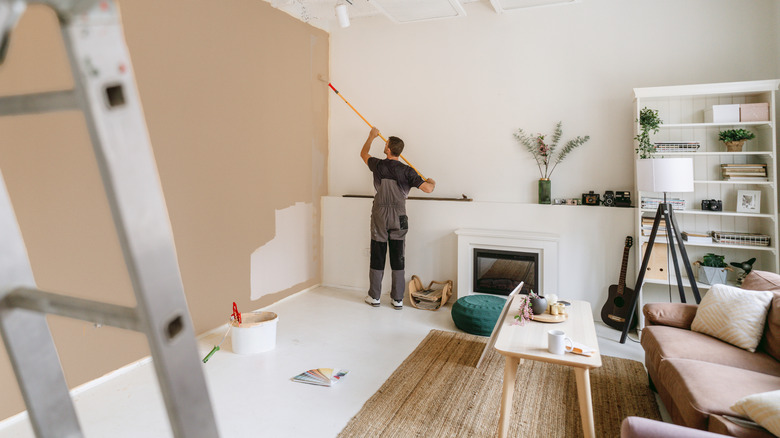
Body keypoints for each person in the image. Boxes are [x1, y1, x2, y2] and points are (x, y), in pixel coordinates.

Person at [361, 127, 435, 309]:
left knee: (378, 254)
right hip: (399, 217)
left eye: (385, 143)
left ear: (388, 149)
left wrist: (371, 136)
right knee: (398, 256)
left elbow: (363, 153)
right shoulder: (407, 171)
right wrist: (432, 181)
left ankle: (375, 297)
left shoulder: (377, 165)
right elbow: (428, 189)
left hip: (380, 215)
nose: (384, 145)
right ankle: (397, 299)